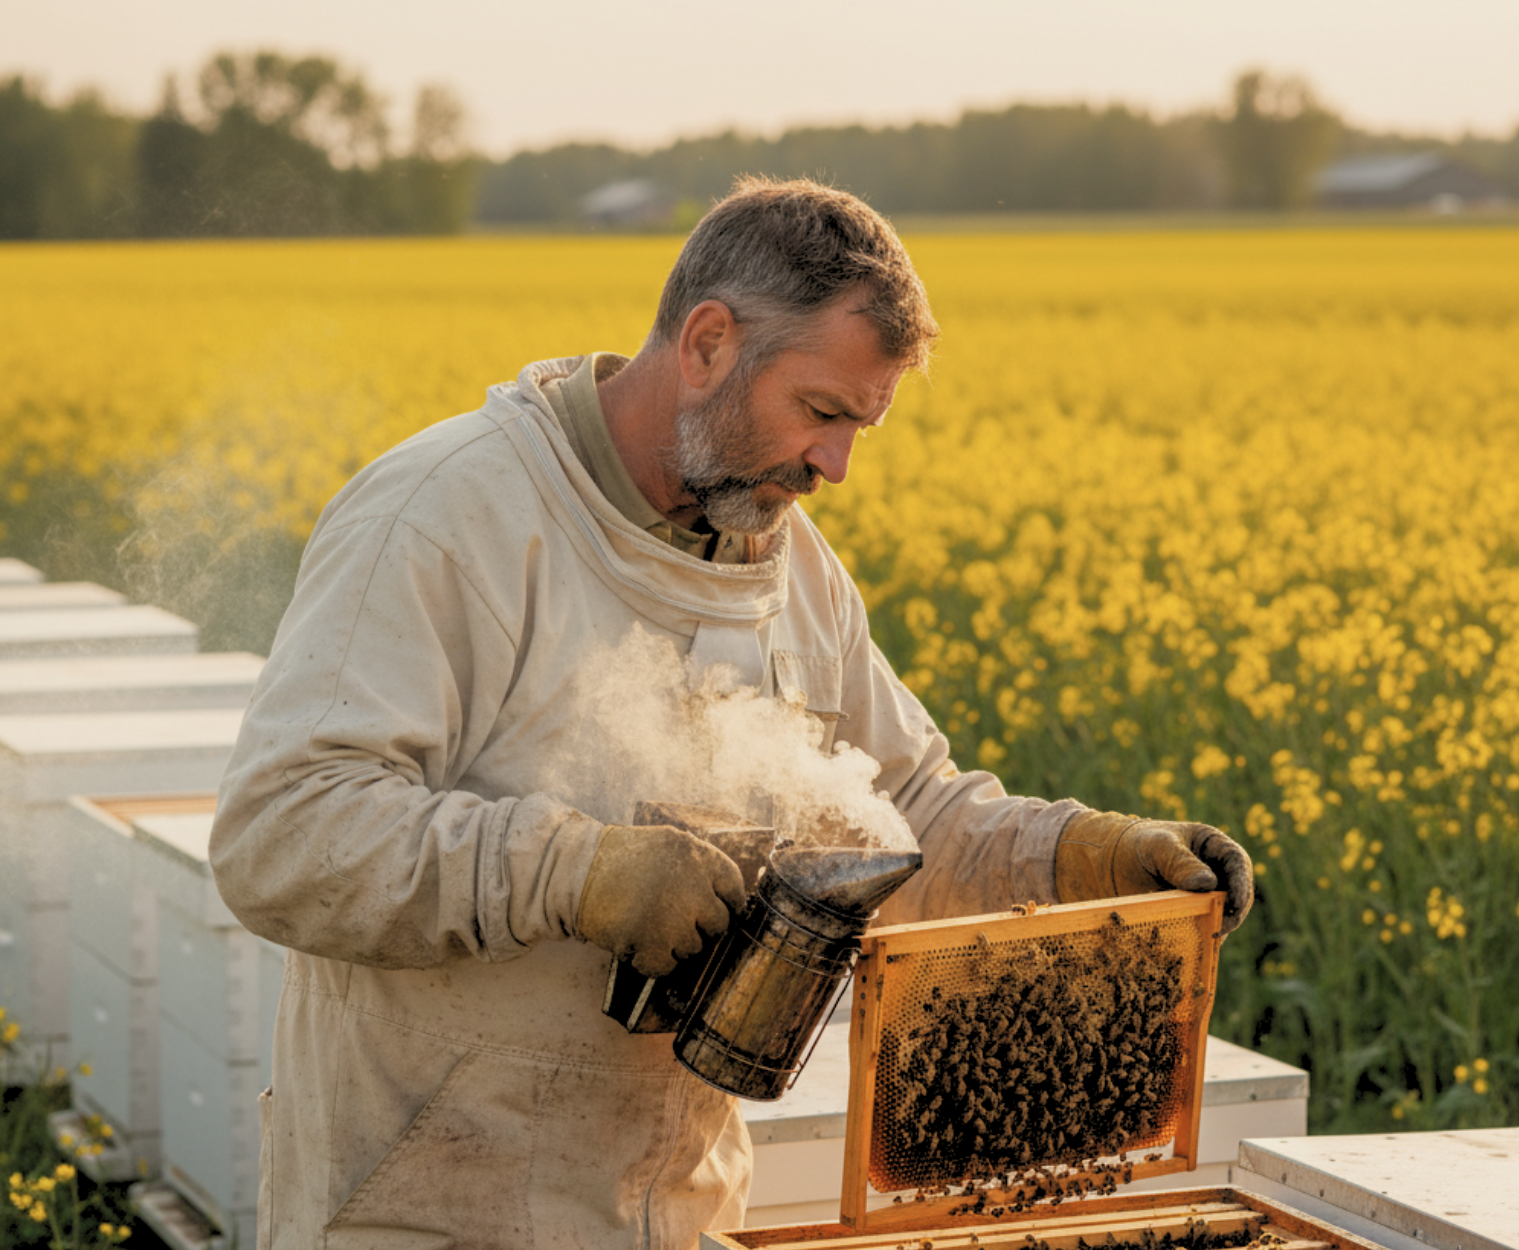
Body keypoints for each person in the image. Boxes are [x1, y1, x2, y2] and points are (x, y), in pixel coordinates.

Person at [210, 176, 1253, 1250]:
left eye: (863, 425)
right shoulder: (448, 516)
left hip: (673, 1209)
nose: (837, 466)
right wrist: (574, 871)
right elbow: (281, 832)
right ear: (707, 344)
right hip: (425, 1207)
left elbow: (900, 823)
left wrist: (1082, 856)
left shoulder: (791, 571)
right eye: (822, 411)